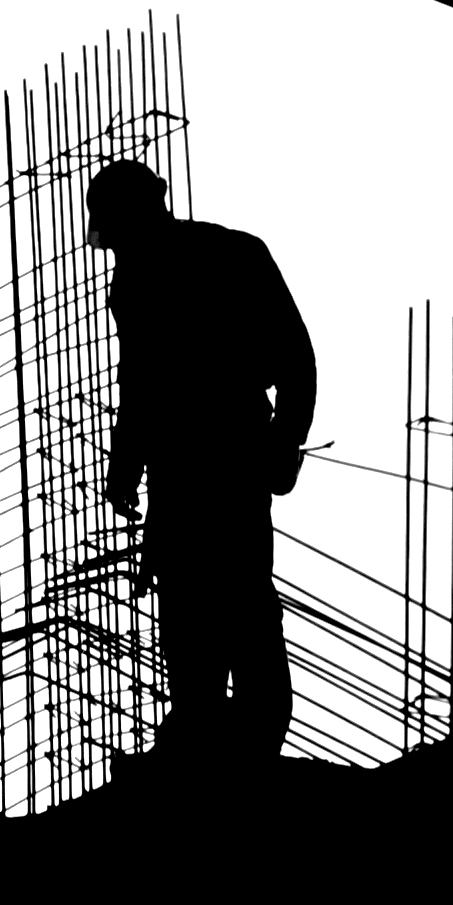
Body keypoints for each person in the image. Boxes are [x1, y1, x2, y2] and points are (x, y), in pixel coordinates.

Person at [88, 155, 315, 770]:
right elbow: (140, 381)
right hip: (182, 464)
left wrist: (284, 442)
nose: (114, 250)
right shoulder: (135, 282)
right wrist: (127, 462)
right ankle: (203, 727)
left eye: (116, 232)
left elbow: (295, 359)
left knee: (237, 593)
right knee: (190, 599)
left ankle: (249, 735)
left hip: (228, 453)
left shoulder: (231, 256)